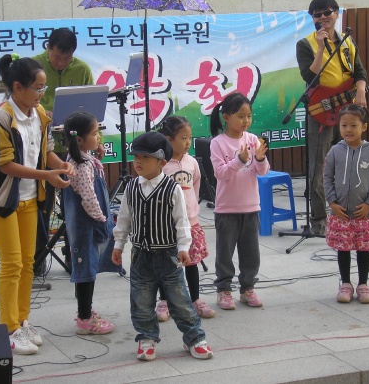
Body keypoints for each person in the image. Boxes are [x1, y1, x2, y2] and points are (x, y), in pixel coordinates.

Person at [0, 53, 75, 355]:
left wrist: (61, 166)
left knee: (29, 262)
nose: (42, 94)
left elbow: (46, 151)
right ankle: (8, 329)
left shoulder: (39, 113)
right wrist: (48, 174)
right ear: (18, 87)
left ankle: (22, 321)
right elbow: (6, 165)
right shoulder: (3, 118)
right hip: (1, 200)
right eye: (38, 88)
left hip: (31, 198)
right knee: (12, 265)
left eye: (44, 88)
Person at [111, 131, 213, 361]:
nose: (138, 161)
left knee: (180, 301)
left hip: (169, 256)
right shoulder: (131, 188)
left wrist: (183, 247)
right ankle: (147, 338)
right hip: (140, 256)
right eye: (136, 156)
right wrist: (119, 245)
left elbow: (181, 222)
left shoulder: (172, 188)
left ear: (161, 162)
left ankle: (194, 338)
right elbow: (124, 219)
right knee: (141, 301)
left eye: (145, 157)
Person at [32, 27, 102, 275]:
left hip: (74, 144)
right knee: (43, 204)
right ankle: (38, 257)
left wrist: (98, 139)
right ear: (48, 48)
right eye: (56, 57)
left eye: (66, 58)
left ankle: (76, 255)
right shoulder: (34, 67)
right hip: (44, 145)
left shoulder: (82, 69)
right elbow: (25, 104)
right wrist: (45, 112)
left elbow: (92, 110)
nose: (61, 62)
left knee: (77, 206)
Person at [296, 0, 368, 236]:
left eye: (327, 12)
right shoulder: (305, 44)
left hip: (347, 109)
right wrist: (320, 47)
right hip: (321, 110)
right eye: (317, 14)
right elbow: (310, 77)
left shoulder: (347, 40)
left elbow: (359, 71)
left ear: (337, 13)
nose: (323, 17)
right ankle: (318, 219)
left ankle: (350, 213)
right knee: (319, 166)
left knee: (351, 161)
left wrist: (360, 89)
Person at [62, 111, 122, 335]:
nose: (98, 137)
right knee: (86, 269)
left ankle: (85, 310)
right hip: (86, 225)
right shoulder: (80, 165)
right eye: (95, 134)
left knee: (87, 268)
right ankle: (85, 319)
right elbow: (88, 197)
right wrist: (101, 218)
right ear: (80, 140)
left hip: (88, 223)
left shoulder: (82, 158)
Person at [209, 92, 269, 310]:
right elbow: (220, 173)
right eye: (240, 116)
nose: (246, 121)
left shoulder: (252, 140)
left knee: (251, 253)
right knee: (225, 254)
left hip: (251, 206)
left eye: (249, 116)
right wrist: (239, 160)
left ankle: (247, 288)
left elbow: (262, 172)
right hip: (227, 208)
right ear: (226, 117)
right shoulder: (218, 143)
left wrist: (260, 158)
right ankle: (224, 290)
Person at [155, 116, 215, 321]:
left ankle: (195, 299)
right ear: (169, 140)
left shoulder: (192, 162)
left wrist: (192, 211)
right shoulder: (161, 165)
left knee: (191, 262)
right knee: (167, 265)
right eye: (183, 138)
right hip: (167, 225)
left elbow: (195, 186)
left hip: (190, 223)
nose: (188, 142)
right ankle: (164, 301)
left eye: (190, 137)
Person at [323, 104, 369, 304]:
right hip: (341, 213)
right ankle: (346, 284)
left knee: (363, 249)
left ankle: (363, 284)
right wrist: (332, 202)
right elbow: (327, 178)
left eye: (353, 125)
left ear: (364, 127)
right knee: (343, 249)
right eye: (344, 125)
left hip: (364, 214)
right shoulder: (334, 151)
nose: (348, 130)